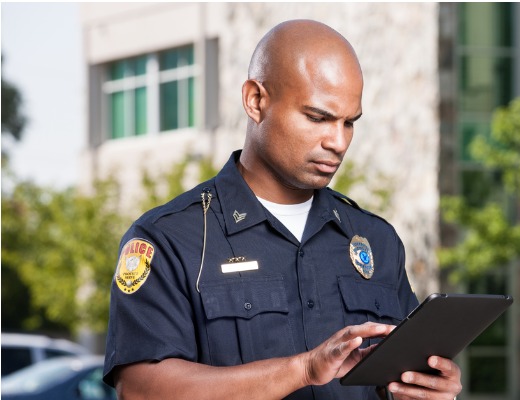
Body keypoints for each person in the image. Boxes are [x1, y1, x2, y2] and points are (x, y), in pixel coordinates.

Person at [102, 19, 462, 400]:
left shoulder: (376, 240)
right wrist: (302, 369)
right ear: (256, 101)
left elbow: (397, 377)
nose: (337, 142)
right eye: (318, 117)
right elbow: (141, 390)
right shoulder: (172, 238)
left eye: (349, 123)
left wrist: (426, 389)